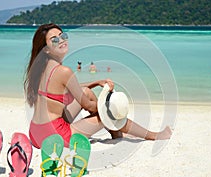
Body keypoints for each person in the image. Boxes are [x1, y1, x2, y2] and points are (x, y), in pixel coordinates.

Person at [24, 23, 172, 149]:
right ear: (47, 49)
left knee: (86, 92)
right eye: (54, 40)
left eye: (63, 36)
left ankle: (116, 132)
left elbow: (69, 88)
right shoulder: (63, 71)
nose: (61, 40)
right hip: (55, 138)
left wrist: (95, 83)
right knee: (109, 113)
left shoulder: (42, 68)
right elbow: (88, 105)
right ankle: (152, 135)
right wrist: (109, 108)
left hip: (36, 134)